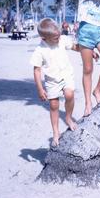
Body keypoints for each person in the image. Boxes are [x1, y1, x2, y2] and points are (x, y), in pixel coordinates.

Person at [30, 18, 79, 147]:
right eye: (55, 38)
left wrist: (88, 52)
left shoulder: (62, 40)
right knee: (54, 105)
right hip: (52, 81)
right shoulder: (39, 50)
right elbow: (37, 71)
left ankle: (68, 117)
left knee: (69, 95)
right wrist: (40, 89)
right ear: (44, 38)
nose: (58, 39)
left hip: (66, 75)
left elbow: (74, 47)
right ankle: (56, 132)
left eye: (58, 36)